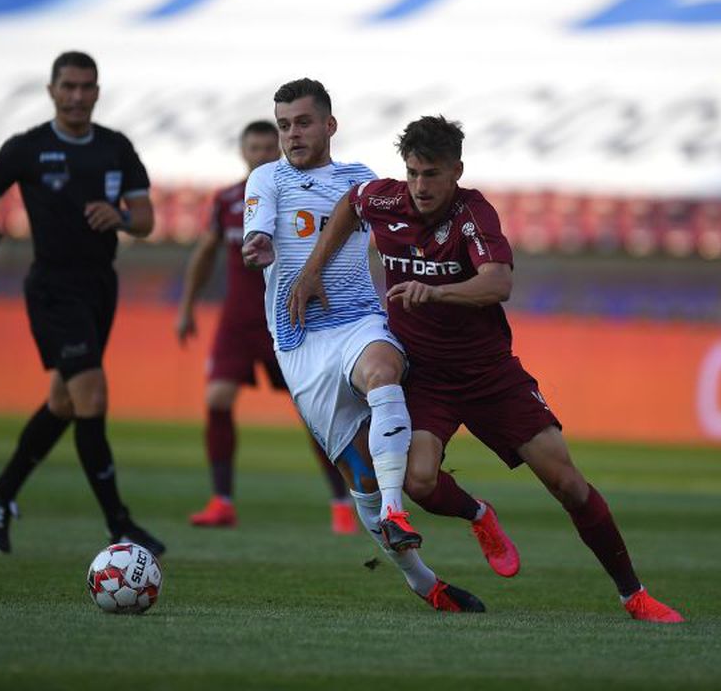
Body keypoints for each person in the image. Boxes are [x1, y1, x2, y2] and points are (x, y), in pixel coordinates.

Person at [289, 115, 685, 624]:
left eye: (431, 174)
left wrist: (436, 292)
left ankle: (635, 595)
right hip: (426, 376)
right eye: (412, 172)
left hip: (489, 375)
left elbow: (498, 284)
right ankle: (480, 515)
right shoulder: (384, 199)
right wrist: (314, 267)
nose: (419, 185)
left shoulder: (473, 214)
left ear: (456, 170)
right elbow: (349, 204)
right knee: (420, 482)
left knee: (566, 482)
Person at [241, 78, 483, 612]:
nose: (292, 134)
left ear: (329, 125)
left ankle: (397, 509)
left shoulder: (361, 180)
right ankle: (424, 582)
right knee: (359, 475)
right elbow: (256, 232)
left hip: (358, 321)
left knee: (382, 371)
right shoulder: (267, 178)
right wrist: (258, 246)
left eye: (303, 122)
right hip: (300, 340)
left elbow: (400, 237)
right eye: (284, 125)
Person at [0, 51, 165, 557]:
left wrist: (118, 216)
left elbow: (145, 220)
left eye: (86, 87)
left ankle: (1, 490)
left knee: (63, 402)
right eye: (68, 86)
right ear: (51, 90)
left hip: (101, 285)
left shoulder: (116, 148)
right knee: (92, 399)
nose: (77, 96)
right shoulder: (28, 147)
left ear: (98, 92)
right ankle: (118, 523)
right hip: (54, 288)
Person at [175, 120, 357, 534]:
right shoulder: (225, 200)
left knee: (314, 414)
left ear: (275, 149)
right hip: (237, 321)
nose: (258, 154)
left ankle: (342, 501)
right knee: (218, 398)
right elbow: (205, 254)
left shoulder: (295, 193)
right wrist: (186, 307)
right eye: (251, 147)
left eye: (264, 147)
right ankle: (222, 501)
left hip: (287, 317)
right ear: (242, 151)